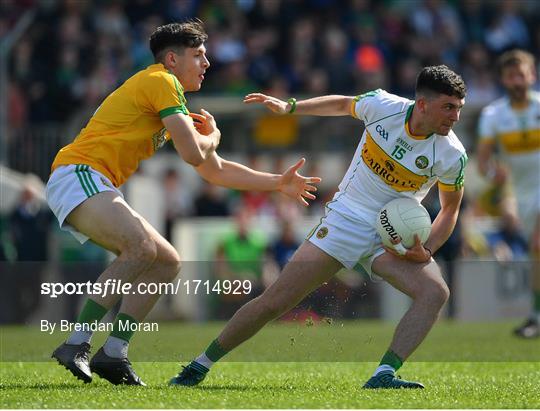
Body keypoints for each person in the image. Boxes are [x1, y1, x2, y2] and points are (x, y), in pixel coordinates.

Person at [46, 20, 321, 386]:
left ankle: (113, 353)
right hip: (78, 173)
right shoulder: (162, 81)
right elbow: (195, 154)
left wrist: (278, 182)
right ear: (172, 59)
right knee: (140, 248)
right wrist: (214, 137)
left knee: (167, 261)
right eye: (199, 55)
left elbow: (216, 171)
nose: (207, 63)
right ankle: (76, 343)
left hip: (94, 181)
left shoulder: (169, 96)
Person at [170, 65, 467, 389]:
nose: (455, 117)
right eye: (448, 107)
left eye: (459, 109)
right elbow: (342, 104)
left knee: (435, 292)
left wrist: (428, 249)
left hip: (389, 237)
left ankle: (384, 373)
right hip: (345, 221)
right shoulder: (382, 107)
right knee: (275, 301)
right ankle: (199, 365)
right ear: (423, 104)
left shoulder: (452, 154)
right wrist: (291, 107)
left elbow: (450, 209)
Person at [476, 49, 540, 339]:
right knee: (536, 253)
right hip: (523, 194)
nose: (517, 81)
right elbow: (483, 163)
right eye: (511, 76)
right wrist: (494, 176)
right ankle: (536, 316)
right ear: (503, 80)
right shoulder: (493, 115)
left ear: (532, 76)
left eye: (522, 75)